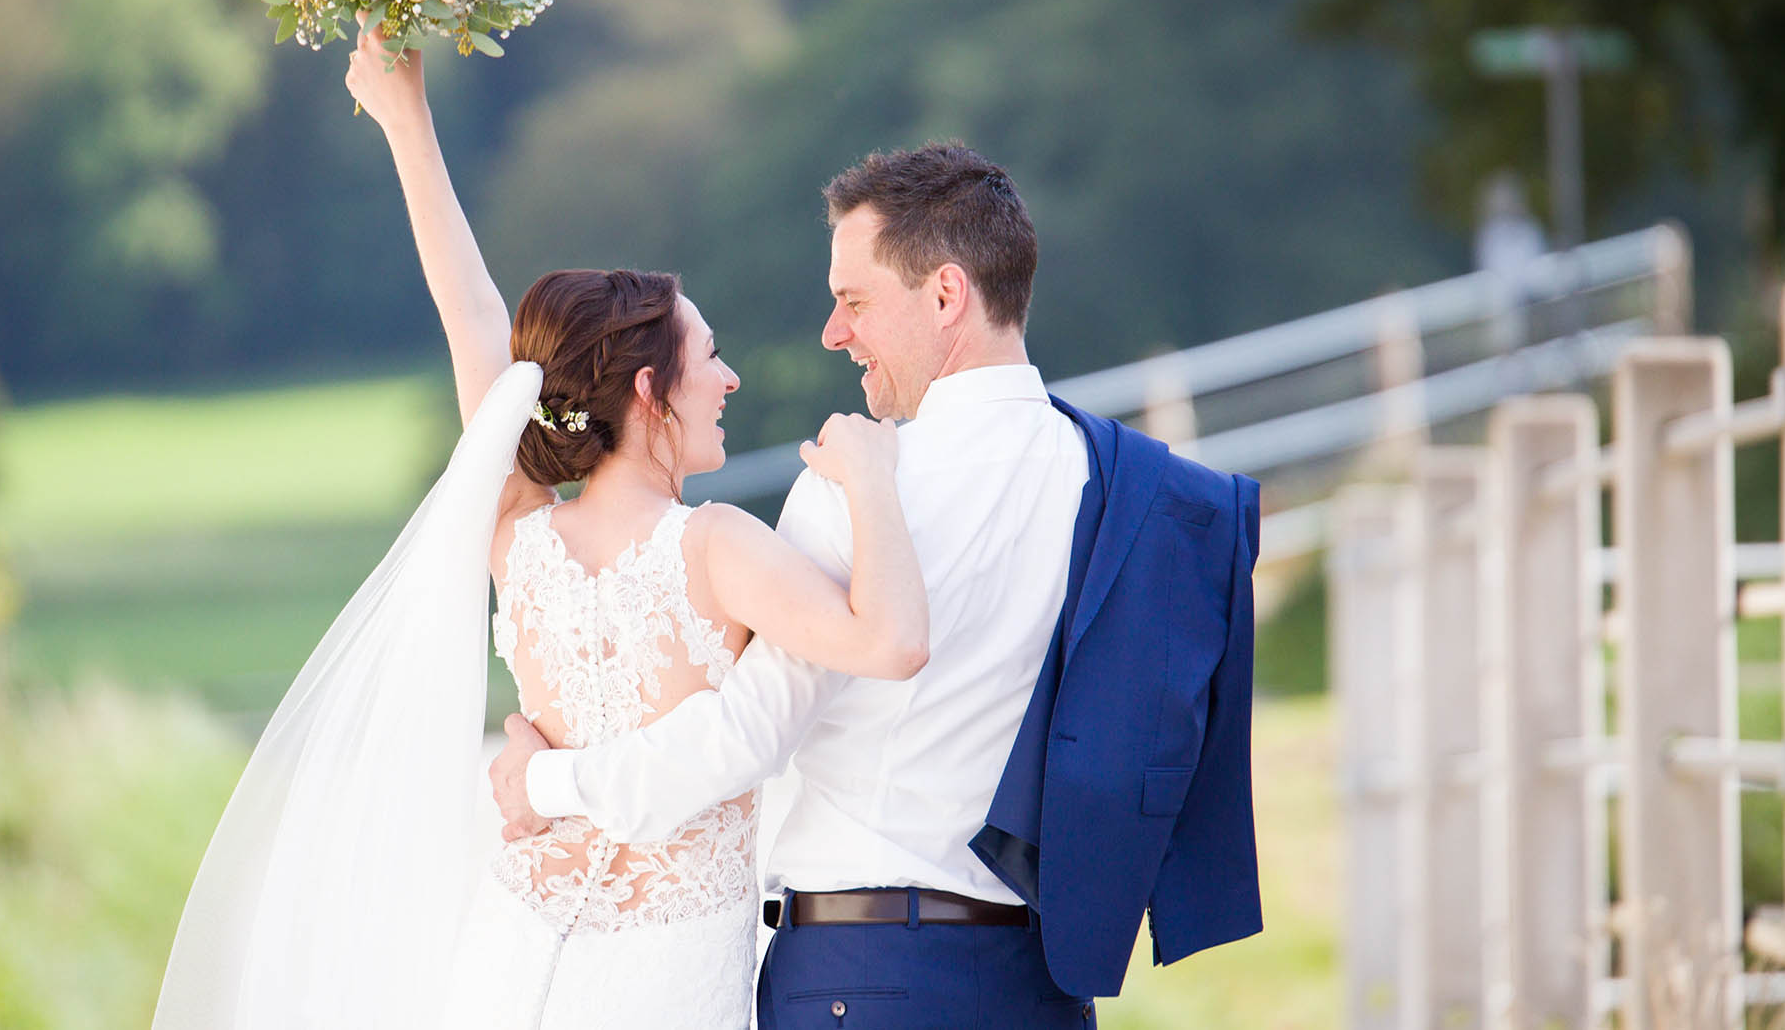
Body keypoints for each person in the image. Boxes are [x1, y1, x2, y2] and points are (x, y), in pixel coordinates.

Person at [150, 27, 936, 1029]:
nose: (730, 379)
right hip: (664, 975)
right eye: (710, 357)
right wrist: (873, 483)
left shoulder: (519, 541)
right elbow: (892, 641)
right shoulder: (715, 547)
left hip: (512, 953)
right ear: (649, 389)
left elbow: (475, 325)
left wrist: (407, 124)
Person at [488, 139, 1267, 1026]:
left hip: (856, 980)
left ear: (946, 294)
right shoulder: (1138, 492)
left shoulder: (849, 485)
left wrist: (546, 782)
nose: (834, 332)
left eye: (854, 301)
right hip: (1042, 987)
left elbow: (744, 734)